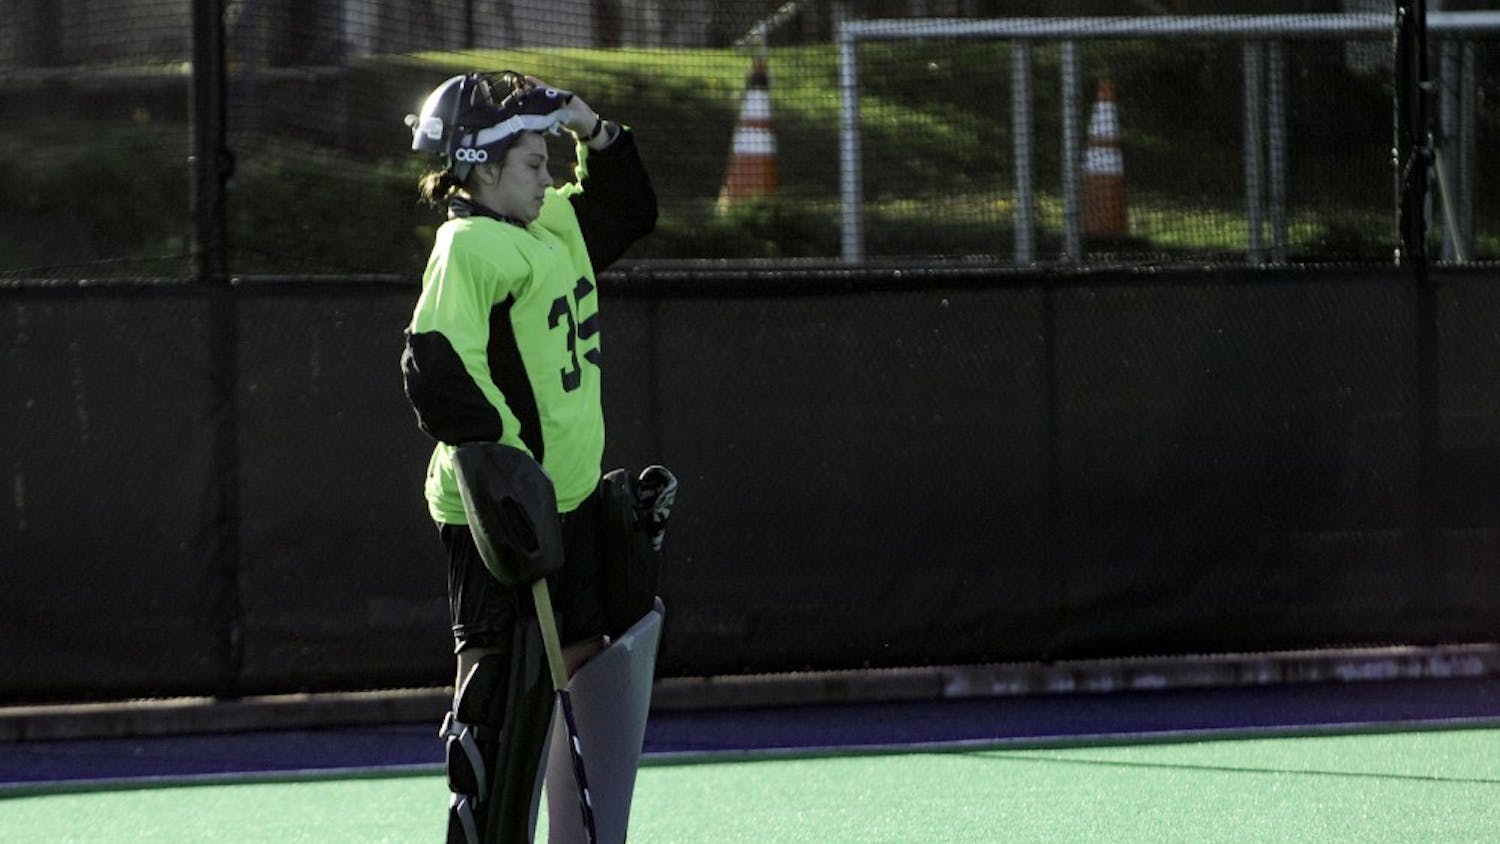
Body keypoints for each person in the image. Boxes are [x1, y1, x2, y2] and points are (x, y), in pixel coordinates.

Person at [400, 70, 671, 844]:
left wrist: (594, 129)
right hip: (504, 524)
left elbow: (628, 209)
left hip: (572, 501)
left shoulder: (548, 222)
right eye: (530, 162)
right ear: (481, 168)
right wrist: (516, 490)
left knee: (582, 675)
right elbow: (436, 366)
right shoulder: (470, 245)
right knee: (502, 704)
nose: (547, 175)